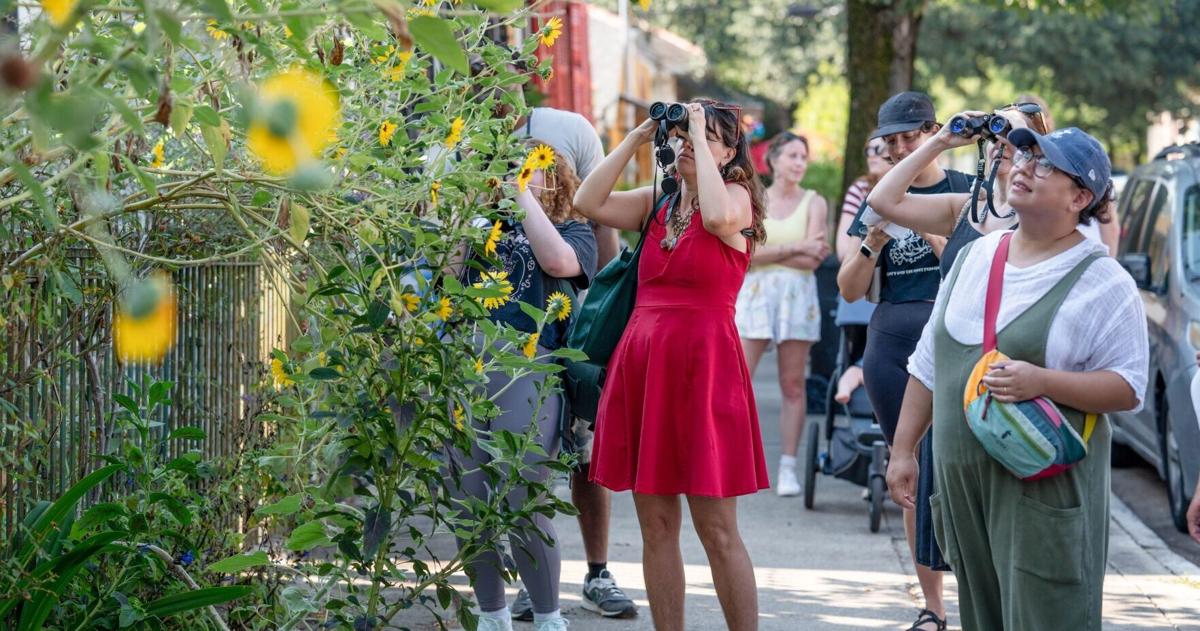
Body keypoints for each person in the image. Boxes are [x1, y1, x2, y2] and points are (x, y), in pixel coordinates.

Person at [888, 126, 1148, 630]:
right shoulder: (974, 256)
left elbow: (1129, 386)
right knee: (982, 619)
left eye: (1046, 164)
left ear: (1081, 197)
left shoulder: (1103, 281)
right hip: (965, 490)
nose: (1025, 166)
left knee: (1047, 617)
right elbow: (929, 360)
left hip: (1041, 495)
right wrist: (903, 451)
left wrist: (1044, 381)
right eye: (1025, 155)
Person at [575, 98, 769, 631]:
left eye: (706, 137)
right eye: (685, 135)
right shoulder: (657, 202)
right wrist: (639, 136)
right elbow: (587, 201)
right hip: (644, 368)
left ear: (731, 153)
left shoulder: (737, 200)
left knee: (717, 529)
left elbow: (716, 217)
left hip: (705, 371)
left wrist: (704, 129)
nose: (689, 142)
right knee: (656, 525)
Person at [837, 91, 973, 631]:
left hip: (954, 339)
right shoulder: (880, 198)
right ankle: (933, 608)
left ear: (934, 130)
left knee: (964, 474)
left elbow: (976, 272)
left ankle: (980, 596)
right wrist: (871, 240)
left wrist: (935, 234)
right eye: (890, 139)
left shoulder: (967, 189)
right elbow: (850, 290)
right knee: (910, 476)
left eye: (909, 136)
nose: (899, 147)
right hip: (893, 343)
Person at [454, 145, 598, 631]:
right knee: (468, 498)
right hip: (468, 363)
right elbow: (447, 283)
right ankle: (492, 614)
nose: (515, 177)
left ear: (552, 179)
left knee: (522, 497)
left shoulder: (575, 230)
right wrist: (465, 212)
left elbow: (559, 264)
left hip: (531, 368)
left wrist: (522, 196)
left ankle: (548, 617)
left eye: (530, 170)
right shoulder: (479, 226)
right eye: (509, 169)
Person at [511, 107, 639, 621]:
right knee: (525, 471)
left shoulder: (571, 134)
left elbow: (591, 260)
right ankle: (529, 579)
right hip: (515, 362)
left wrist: (607, 329)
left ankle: (597, 571)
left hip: (573, 348)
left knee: (588, 460)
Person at [735, 131, 829, 497]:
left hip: (797, 297)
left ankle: (788, 466)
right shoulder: (754, 198)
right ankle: (736, 459)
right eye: (792, 155)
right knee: (739, 379)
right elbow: (744, 255)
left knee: (793, 384)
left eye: (803, 157)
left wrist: (773, 251)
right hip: (756, 295)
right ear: (772, 159)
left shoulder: (814, 202)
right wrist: (795, 246)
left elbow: (815, 256)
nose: (799, 163)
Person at [833, 136, 893, 406]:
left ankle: (858, 371)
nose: (873, 154)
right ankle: (858, 367)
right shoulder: (861, 189)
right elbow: (844, 250)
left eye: (879, 148)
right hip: (865, 281)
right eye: (868, 148)